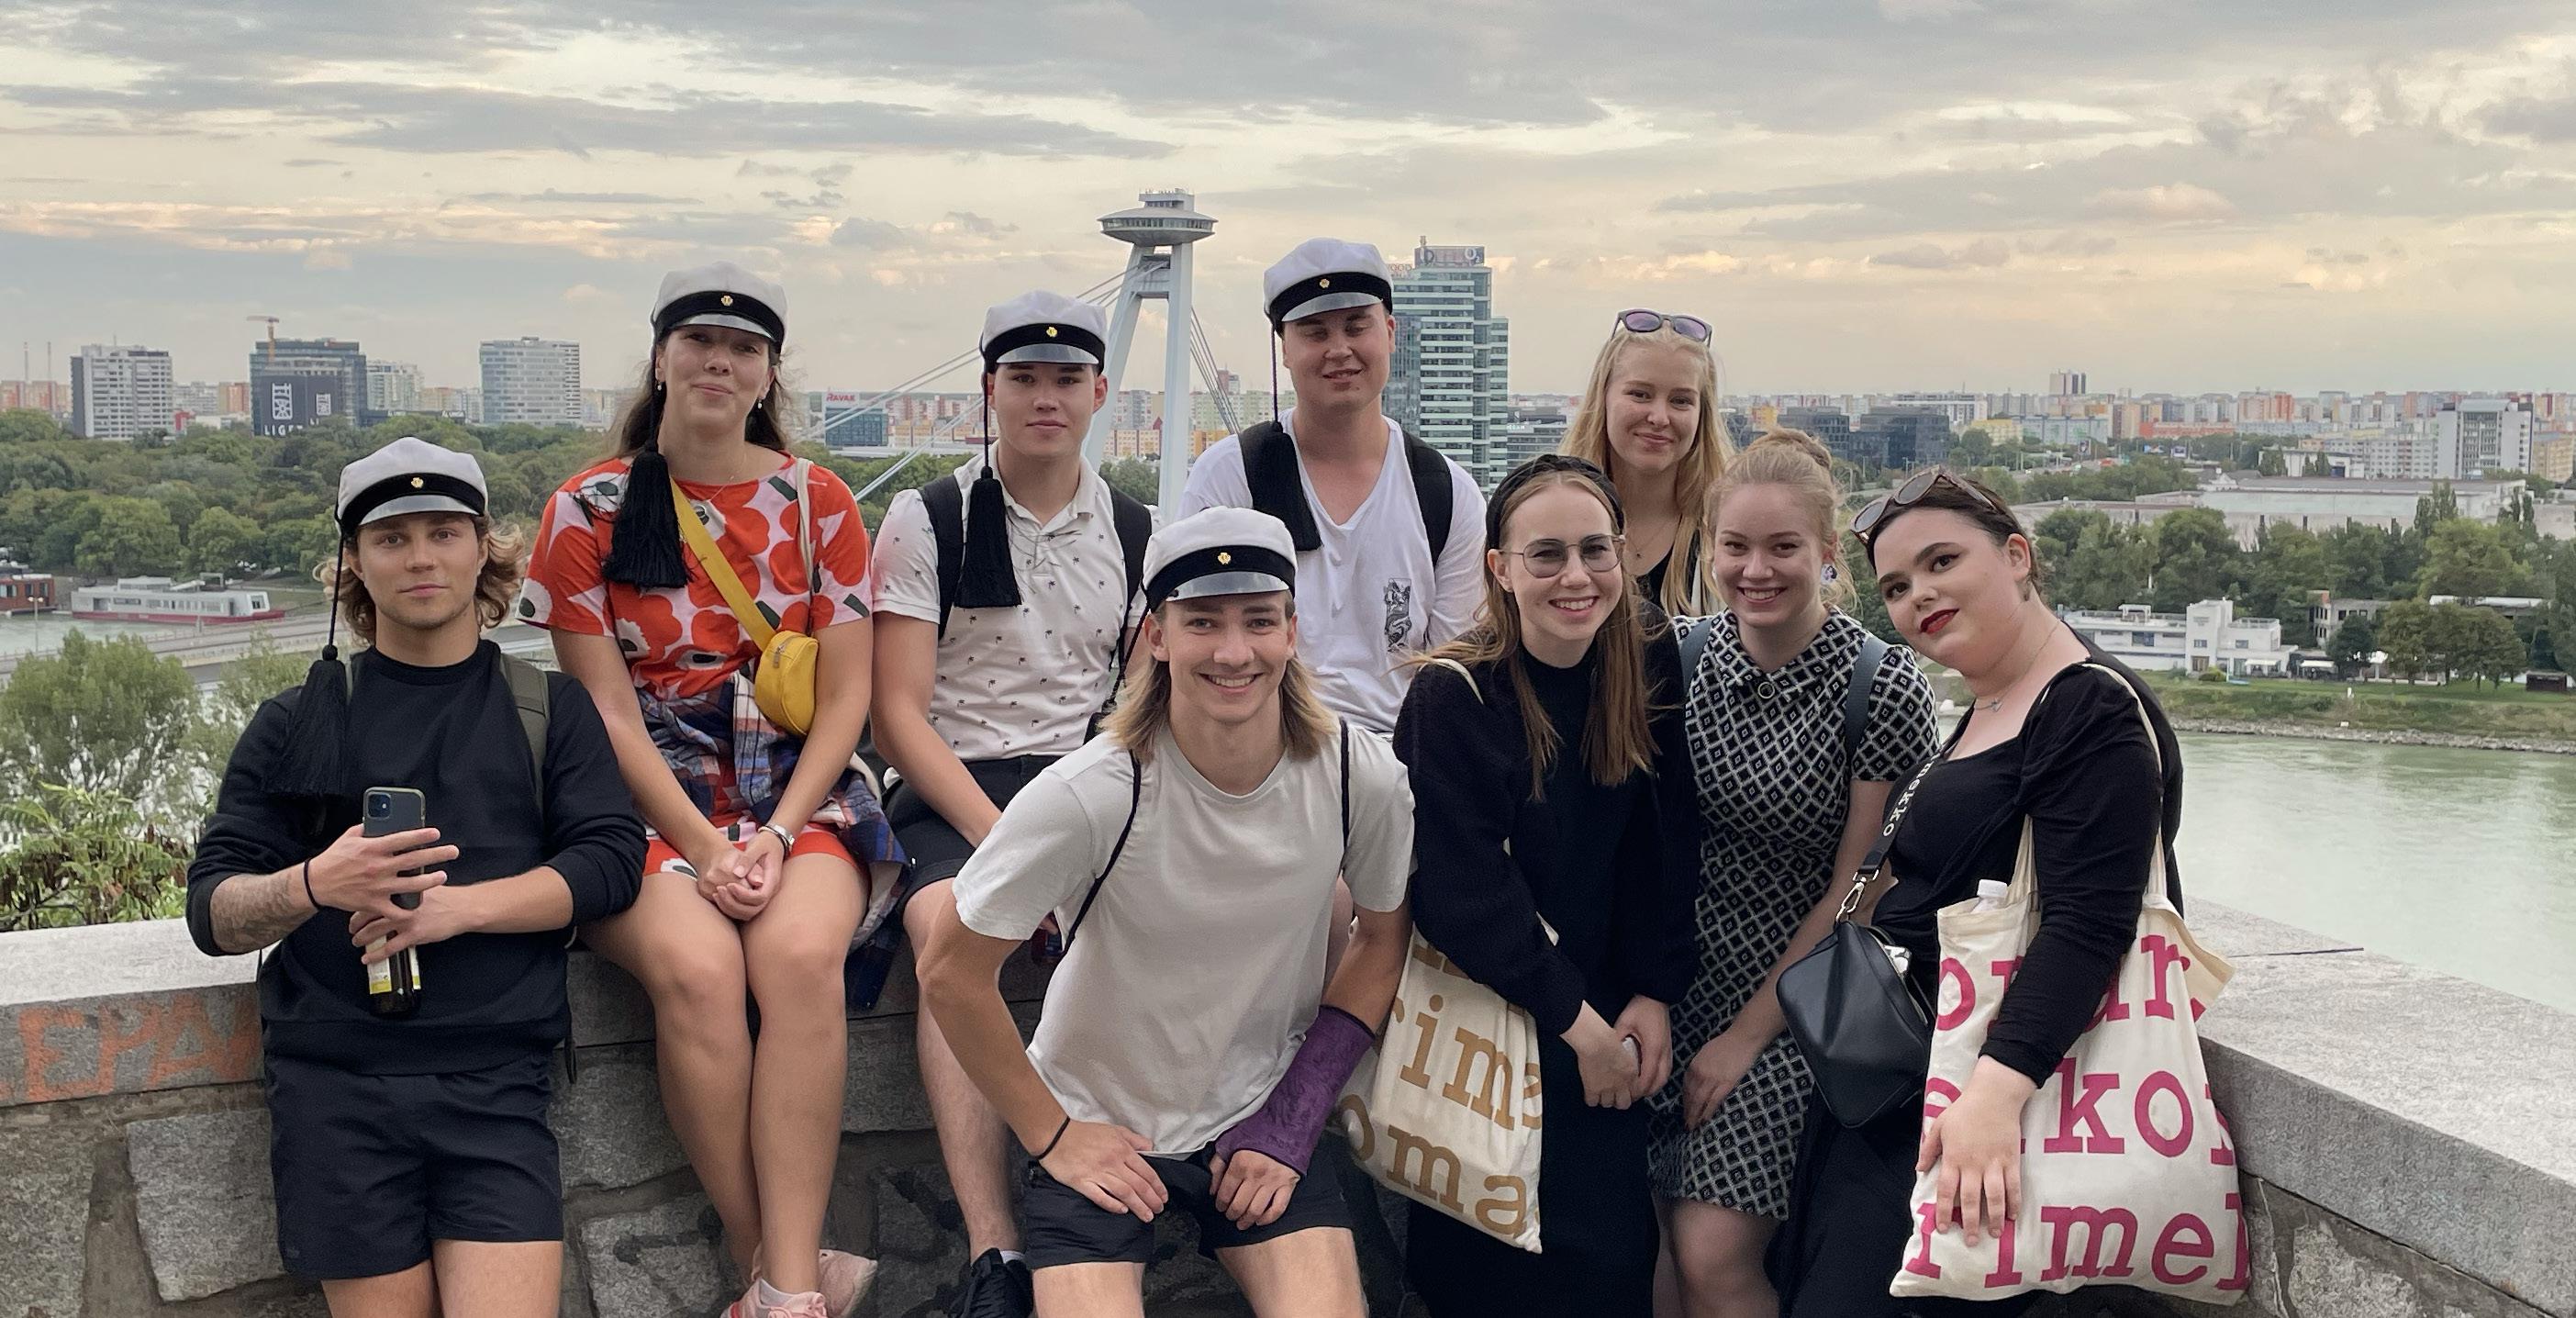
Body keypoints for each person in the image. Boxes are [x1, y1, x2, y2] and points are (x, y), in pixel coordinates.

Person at [186, 437, 646, 1318]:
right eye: (391, 538)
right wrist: (315, 883)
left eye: (443, 532)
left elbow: (610, 864)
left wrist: (456, 912)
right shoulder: (297, 720)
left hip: (497, 1083)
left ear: (482, 549)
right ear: (355, 563)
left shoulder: (548, 708)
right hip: (336, 1092)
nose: (421, 558)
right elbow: (213, 911)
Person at [917, 507, 1415, 1318]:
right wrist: (1052, 1135)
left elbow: (1381, 940)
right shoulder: (1090, 794)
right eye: (1202, 622)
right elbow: (948, 970)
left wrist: (1292, 1118)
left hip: (1256, 1112)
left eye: (1259, 621)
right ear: (1156, 635)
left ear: (1292, 631)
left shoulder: (1359, 776)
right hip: (1097, 1118)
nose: (1233, 651)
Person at [522, 262, 899, 1318]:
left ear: (769, 372)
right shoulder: (587, 509)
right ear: (661, 357)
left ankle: (780, 1288)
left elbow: (847, 695)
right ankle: (778, 1273)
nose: (719, 363)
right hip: (644, 794)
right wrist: (701, 843)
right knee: (694, 968)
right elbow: (605, 711)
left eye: (743, 348)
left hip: (795, 783)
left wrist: (773, 835)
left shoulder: (818, 502)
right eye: (699, 342)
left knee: (799, 955)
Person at [1768, 469, 2183, 1317]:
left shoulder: (2087, 708)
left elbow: (2087, 922)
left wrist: (1994, 1096)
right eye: (1895, 586)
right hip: (1910, 1089)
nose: (1918, 594)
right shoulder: (1992, 702)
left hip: (1981, 1104)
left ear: (2017, 557)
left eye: (1941, 562)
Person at [868, 290, 1149, 1318]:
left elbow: (1134, 706)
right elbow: (898, 715)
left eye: (1065, 380)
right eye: (1023, 379)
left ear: (1099, 393)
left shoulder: (1134, 529)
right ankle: (997, 1251)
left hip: (1081, 777)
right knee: (951, 927)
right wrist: (1009, 851)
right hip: (956, 784)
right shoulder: (929, 518)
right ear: (988, 391)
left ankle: (1129, 1195)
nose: (1044, 399)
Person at [1393, 454, 1701, 1316]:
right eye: (1546, 555)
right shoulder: (1454, 697)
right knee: (1483, 1276)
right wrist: (1581, 1029)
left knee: (1606, 1265)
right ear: (1500, 569)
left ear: (1623, 555)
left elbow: (1663, 839)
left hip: (1608, 1017)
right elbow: (1461, 894)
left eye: (1595, 550)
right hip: (1495, 1020)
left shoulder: (1645, 659)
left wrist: (1654, 992)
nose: (1576, 576)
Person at [1647, 430, 1937, 1318]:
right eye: (1735, 547)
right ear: (1708, 547)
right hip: (1671, 986)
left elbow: (1859, 891)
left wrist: (1744, 1037)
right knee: (1650, 1253)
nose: (1756, 570)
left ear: (1825, 552)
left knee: (1710, 1250)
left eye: (1782, 548)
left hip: (1802, 1004)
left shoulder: (1880, 687)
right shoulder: (1678, 659)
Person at [1175, 237, 1486, 734]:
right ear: (1285, 349)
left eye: (1357, 327)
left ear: (1389, 332)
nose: (1339, 350)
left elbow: (1454, 670)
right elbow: (1195, 637)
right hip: (1261, 752)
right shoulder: (1232, 477)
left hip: (1400, 760)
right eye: (1315, 332)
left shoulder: (1447, 494)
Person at [1559, 308, 1731, 615]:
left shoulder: (1727, 533)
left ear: (1702, 414)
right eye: (1640, 394)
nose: (1659, 417)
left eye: (1681, 401)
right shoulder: (1549, 519)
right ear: (1603, 397)